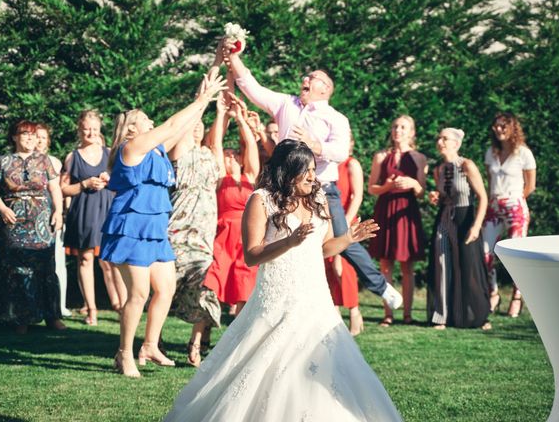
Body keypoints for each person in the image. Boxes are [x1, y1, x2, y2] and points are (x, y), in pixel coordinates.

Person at [164, 139, 402, 422]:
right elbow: (252, 256)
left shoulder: (318, 198)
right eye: (306, 171)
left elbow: (323, 248)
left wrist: (349, 238)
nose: (313, 177)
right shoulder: (261, 199)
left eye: (314, 170)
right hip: (278, 294)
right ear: (287, 171)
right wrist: (289, 241)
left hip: (315, 294)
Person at [223, 41, 402, 311]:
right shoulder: (286, 104)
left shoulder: (335, 118)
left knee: (342, 238)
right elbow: (251, 86)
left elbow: (341, 152)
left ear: (325, 89)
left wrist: (313, 144)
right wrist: (233, 55)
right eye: (307, 77)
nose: (305, 79)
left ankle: (380, 287)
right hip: (281, 188)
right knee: (270, 239)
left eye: (313, 78)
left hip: (321, 188)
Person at [101, 69, 226, 378]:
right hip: (131, 226)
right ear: (131, 128)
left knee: (166, 288)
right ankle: (124, 354)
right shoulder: (131, 148)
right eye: (145, 119)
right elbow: (173, 123)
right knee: (139, 294)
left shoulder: (156, 148)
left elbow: (181, 125)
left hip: (155, 227)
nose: (151, 122)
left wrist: (212, 71)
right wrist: (203, 98)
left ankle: (149, 345)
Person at [0, 120, 65, 334]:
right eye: (24, 134)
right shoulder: (5, 161)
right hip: (14, 222)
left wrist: (58, 212)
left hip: (42, 220)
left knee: (46, 268)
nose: (30, 138)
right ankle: (20, 318)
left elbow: (55, 187)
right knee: (17, 269)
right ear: (14, 137)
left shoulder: (44, 161)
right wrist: (3, 209)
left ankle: (52, 316)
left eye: (33, 134)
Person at [167, 108, 222, 368]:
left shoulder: (211, 156)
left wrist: (221, 111)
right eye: (194, 124)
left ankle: (196, 342)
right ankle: (148, 343)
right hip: (178, 229)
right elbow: (186, 124)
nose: (198, 127)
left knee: (205, 286)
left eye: (202, 124)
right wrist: (202, 99)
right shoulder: (180, 154)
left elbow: (216, 139)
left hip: (204, 234)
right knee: (167, 288)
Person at [203, 79, 260, 320]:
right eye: (227, 154)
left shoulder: (250, 176)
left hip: (247, 233)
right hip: (224, 233)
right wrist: (220, 114)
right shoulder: (220, 178)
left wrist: (241, 119)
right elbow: (214, 142)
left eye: (233, 153)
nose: (230, 155)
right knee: (214, 278)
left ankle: (239, 326)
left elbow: (251, 145)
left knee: (245, 281)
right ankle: (202, 330)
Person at [61, 110, 122, 326]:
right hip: (83, 210)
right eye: (86, 129)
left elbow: (123, 180)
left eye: (94, 129)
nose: (91, 133)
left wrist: (109, 179)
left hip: (107, 208)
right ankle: (92, 310)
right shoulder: (72, 157)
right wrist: (84, 185)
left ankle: (122, 305)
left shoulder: (109, 153)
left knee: (112, 259)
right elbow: (63, 189)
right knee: (85, 259)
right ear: (79, 130)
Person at [427, 128, 491, 330]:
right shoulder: (438, 169)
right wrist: (435, 198)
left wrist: (476, 226)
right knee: (441, 263)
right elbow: (444, 197)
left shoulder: (466, 165)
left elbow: (483, 197)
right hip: (444, 218)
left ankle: (477, 316)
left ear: (456, 143)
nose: (440, 141)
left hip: (466, 218)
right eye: (439, 137)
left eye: (445, 138)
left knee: (468, 265)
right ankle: (442, 316)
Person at [367, 115, 427, 326]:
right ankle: (389, 314)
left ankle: (408, 314)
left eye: (403, 127)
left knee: (407, 266)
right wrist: (387, 187)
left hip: (406, 213)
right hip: (385, 209)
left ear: (411, 132)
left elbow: (421, 193)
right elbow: (371, 188)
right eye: (395, 126)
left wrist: (412, 183)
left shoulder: (419, 158)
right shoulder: (381, 156)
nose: (398, 130)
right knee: (385, 265)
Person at [482, 112, 536, 317]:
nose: (499, 130)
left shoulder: (523, 153)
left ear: (513, 128)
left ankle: (517, 296)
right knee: (485, 251)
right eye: (496, 126)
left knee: (515, 254)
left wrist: (515, 200)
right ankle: (493, 293)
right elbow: (490, 182)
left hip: (515, 207)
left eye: (503, 126)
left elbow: (530, 185)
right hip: (494, 206)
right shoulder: (491, 152)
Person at [324, 133, 364, 335]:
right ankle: (335, 315)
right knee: (329, 269)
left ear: (350, 143)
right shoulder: (327, 166)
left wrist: (345, 225)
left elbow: (357, 196)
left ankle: (355, 312)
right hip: (327, 225)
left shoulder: (352, 164)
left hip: (347, 224)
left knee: (343, 269)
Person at [36, 123, 72, 317]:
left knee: (58, 262)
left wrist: (61, 212)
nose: (40, 141)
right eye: (37, 137)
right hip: (32, 218)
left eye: (43, 137)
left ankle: (60, 305)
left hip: (52, 216)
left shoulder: (55, 163)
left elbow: (60, 190)